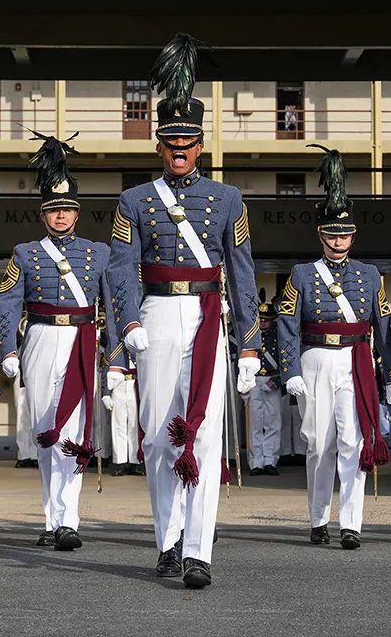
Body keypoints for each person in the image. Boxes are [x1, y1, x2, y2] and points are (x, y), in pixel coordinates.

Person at [106, 33, 261, 589]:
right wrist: (127, 327)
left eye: (188, 141)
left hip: (208, 317)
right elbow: (121, 268)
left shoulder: (227, 199)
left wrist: (249, 344)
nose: (179, 150)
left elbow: (241, 273)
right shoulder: (133, 200)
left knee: (205, 431)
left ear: (200, 144)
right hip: (154, 316)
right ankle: (167, 539)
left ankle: (198, 550)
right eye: (170, 141)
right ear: (158, 146)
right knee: (155, 434)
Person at [276, 145, 391, 549]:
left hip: (355, 359)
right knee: (318, 442)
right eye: (332, 234)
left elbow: (383, 326)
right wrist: (290, 369)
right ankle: (317, 518)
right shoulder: (302, 273)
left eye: (345, 233)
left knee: (354, 441)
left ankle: (351, 524)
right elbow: (287, 324)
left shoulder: (370, 275)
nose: (339, 240)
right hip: (314, 358)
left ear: (353, 236)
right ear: (321, 235)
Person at [0, 130, 115, 550]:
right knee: (46, 428)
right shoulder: (25, 253)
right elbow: (7, 302)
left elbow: (113, 306)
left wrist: (115, 356)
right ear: (43, 215)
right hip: (42, 338)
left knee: (76, 429)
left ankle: (70, 521)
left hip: (82, 338)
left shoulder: (98, 252)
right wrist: (7, 350)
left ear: (77, 213)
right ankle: (51, 518)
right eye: (53, 210)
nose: (61, 216)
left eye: (67, 209)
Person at [245, 296, 283, 476]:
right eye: (261, 320)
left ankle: (270, 460)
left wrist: (276, 381)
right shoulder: (251, 335)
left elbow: (285, 361)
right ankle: (256, 462)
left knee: (273, 423)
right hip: (254, 382)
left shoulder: (279, 335)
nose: (263, 323)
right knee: (255, 424)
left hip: (272, 381)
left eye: (266, 320)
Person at [104, 355, 145, 477]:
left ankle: (135, 461)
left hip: (134, 385)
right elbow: (106, 366)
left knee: (134, 426)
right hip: (118, 385)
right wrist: (106, 393)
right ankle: (120, 462)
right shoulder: (114, 342)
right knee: (118, 426)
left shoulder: (139, 342)